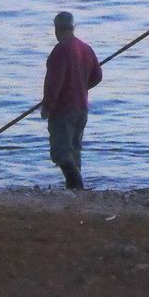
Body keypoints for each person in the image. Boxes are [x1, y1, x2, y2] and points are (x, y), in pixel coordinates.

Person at [40, 10, 102, 190]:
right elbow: (97, 76)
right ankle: (74, 190)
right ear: (73, 27)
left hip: (64, 109)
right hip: (82, 108)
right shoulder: (86, 48)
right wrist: (80, 86)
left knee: (60, 152)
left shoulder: (60, 50)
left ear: (57, 29)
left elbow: (54, 83)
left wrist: (47, 106)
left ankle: (78, 187)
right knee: (74, 150)